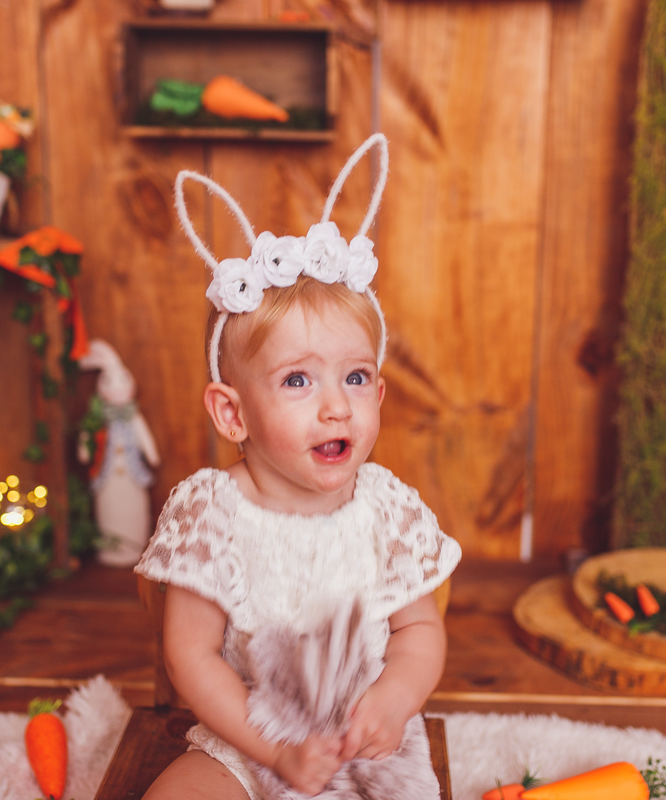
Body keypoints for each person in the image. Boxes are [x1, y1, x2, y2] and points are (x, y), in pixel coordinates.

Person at [135, 134, 461, 800]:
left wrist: (395, 700)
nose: (337, 407)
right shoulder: (212, 511)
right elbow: (191, 657)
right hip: (251, 733)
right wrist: (274, 752)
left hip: (367, 743)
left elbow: (420, 629)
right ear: (233, 414)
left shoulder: (385, 508)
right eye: (296, 382)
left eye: (356, 376)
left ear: (380, 392)